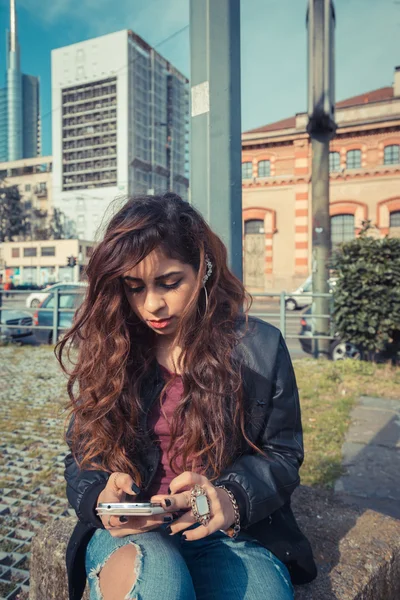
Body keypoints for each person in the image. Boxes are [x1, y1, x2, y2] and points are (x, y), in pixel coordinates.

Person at [58, 193, 317, 600]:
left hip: (230, 533)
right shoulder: (114, 346)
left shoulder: (260, 347)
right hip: (134, 531)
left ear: (202, 268)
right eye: (134, 287)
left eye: (169, 282)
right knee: (155, 583)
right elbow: (81, 452)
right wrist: (101, 495)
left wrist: (230, 497)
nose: (152, 304)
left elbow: (283, 453)